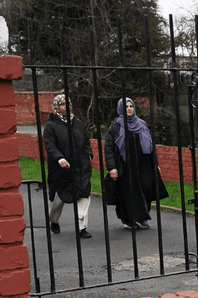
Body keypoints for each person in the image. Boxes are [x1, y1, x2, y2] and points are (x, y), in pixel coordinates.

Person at [104, 97, 168, 230]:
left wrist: (155, 164)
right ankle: (128, 219)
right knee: (128, 191)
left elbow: (150, 145)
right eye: (126, 107)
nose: (129, 109)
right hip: (125, 164)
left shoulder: (142, 124)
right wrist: (112, 167)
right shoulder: (116, 126)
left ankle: (142, 217)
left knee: (146, 187)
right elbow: (109, 147)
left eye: (131, 106)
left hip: (143, 163)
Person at [44, 94, 93, 239]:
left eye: (68, 104)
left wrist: (88, 155)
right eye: (62, 104)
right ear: (56, 107)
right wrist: (60, 158)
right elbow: (50, 145)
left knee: (83, 195)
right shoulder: (51, 126)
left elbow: (86, 141)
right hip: (62, 169)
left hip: (81, 167)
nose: (66, 107)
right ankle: (53, 220)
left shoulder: (77, 123)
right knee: (59, 199)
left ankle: (81, 227)